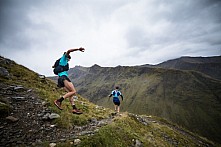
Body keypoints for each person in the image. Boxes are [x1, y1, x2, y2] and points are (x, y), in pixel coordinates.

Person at [54, 47, 85, 114]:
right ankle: (59, 101)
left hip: (60, 79)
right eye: (69, 59)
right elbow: (68, 51)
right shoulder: (64, 58)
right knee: (73, 91)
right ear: (67, 57)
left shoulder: (60, 62)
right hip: (63, 77)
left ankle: (74, 108)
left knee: (70, 93)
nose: (68, 61)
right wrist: (78, 49)